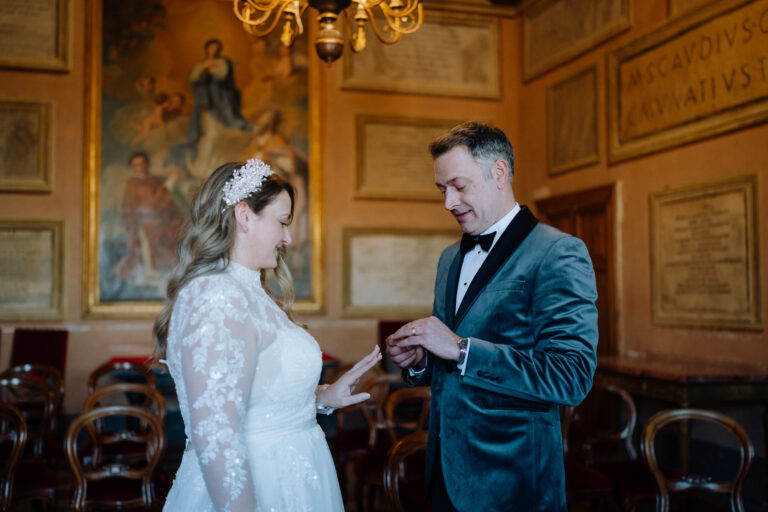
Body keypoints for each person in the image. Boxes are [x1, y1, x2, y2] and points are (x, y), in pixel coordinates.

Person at [386, 122, 598, 511]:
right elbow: (450, 365)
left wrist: (461, 348)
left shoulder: (558, 253)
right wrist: (420, 362)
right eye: (442, 189)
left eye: (459, 186)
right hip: (443, 474)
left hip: (513, 482)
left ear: (499, 173)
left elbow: (571, 376)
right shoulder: (449, 259)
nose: (448, 202)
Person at [154, 158, 381, 511]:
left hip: (295, 477)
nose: (288, 237)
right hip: (261, 485)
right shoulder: (217, 296)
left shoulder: (251, 291)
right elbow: (217, 436)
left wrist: (323, 397)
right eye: (282, 222)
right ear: (245, 216)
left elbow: (259, 396)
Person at [116, 151, 184, 284]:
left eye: (142, 163)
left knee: (179, 230)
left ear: (147, 164)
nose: (140, 167)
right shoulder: (133, 183)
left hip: (161, 221)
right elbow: (150, 202)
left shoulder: (154, 180)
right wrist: (170, 183)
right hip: (144, 224)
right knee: (148, 253)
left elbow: (166, 202)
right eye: (136, 164)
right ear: (132, 166)